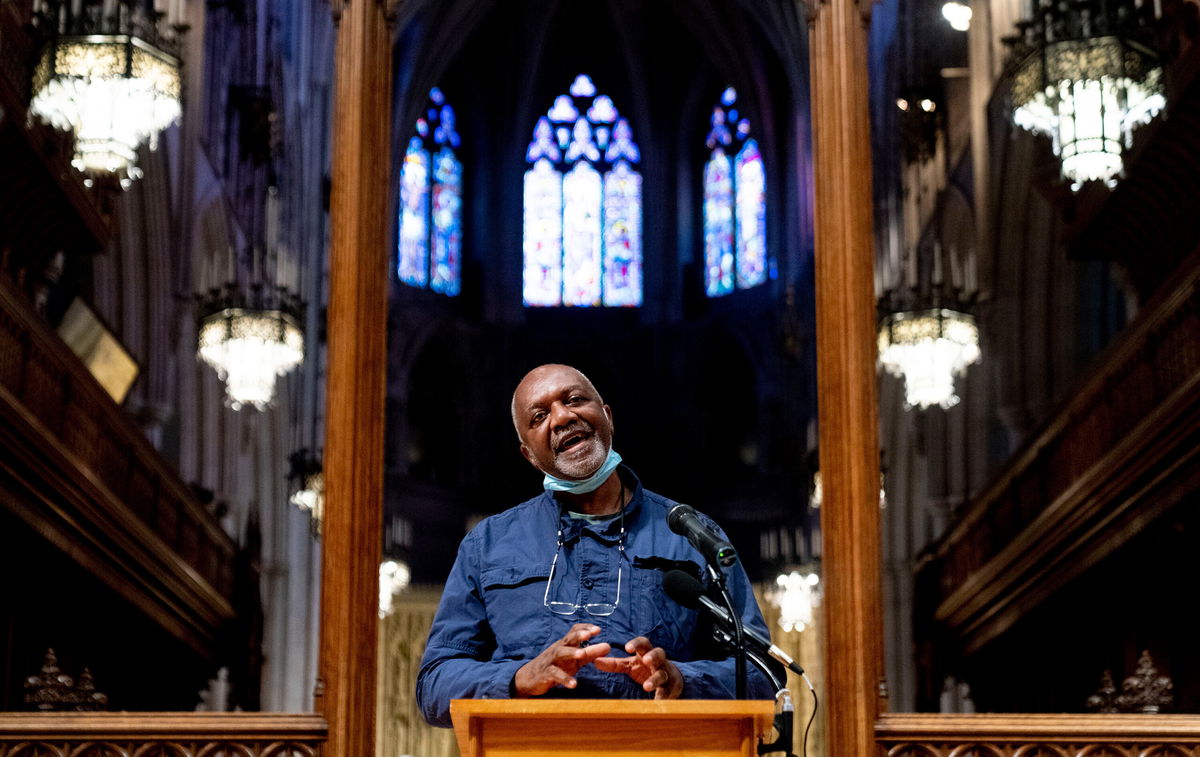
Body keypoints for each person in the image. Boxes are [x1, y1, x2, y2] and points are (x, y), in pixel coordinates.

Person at [416, 363, 778, 727]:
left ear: (607, 417)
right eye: (539, 416)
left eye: (574, 399)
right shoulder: (487, 544)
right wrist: (519, 678)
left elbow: (765, 674)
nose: (561, 417)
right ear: (528, 453)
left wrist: (684, 681)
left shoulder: (690, 535)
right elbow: (434, 684)